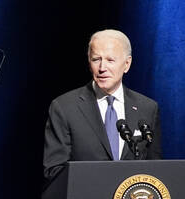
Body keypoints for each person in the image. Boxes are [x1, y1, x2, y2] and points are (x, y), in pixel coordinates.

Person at [43, 29, 162, 181]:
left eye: (110, 60)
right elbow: (54, 171)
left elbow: (156, 170)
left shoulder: (147, 108)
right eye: (96, 59)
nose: (102, 68)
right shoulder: (64, 108)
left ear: (127, 64)